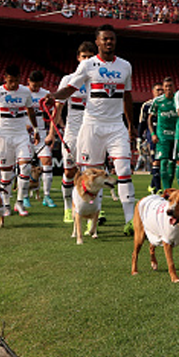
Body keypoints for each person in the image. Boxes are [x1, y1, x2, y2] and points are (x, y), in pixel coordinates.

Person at [43, 24, 138, 234]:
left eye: (112, 39)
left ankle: (131, 221)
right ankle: (89, 215)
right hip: (92, 125)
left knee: (123, 170)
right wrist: (54, 96)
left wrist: (131, 125)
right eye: (105, 39)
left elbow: (128, 96)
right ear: (97, 42)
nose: (109, 42)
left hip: (116, 126)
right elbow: (70, 88)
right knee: (91, 174)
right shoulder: (88, 66)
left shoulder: (125, 66)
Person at [52, 41, 96, 223]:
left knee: (91, 173)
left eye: (89, 57)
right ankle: (67, 207)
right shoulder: (68, 80)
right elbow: (58, 109)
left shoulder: (98, 80)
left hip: (91, 130)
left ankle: (94, 210)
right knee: (69, 172)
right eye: (83, 56)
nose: (86, 60)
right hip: (72, 131)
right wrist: (51, 133)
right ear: (78, 58)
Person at [0, 65, 39, 216]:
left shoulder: (25, 91)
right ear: (5, 78)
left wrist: (35, 130)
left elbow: (30, 110)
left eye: (16, 81)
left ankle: (20, 202)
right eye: (10, 81)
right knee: (6, 174)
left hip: (21, 134)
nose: (13, 84)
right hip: (4, 136)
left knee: (26, 168)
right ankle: (7, 205)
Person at [27, 70, 56, 207]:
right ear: (28, 81)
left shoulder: (45, 94)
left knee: (47, 162)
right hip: (25, 134)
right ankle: (23, 196)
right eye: (33, 85)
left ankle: (47, 196)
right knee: (24, 165)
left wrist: (52, 133)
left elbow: (52, 114)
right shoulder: (22, 93)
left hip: (42, 133)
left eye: (38, 85)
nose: (36, 88)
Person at [149, 77, 178, 191]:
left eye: (170, 86)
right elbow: (150, 118)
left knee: (172, 163)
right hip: (163, 135)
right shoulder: (158, 101)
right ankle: (166, 189)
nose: (168, 88)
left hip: (176, 135)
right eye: (166, 86)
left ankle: (169, 188)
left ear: (174, 87)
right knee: (163, 160)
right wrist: (153, 134)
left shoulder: (178, 99)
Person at [140, 83, 164, 193]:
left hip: (165, 133)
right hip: (153, 133)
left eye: (162, 90)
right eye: (158, 90)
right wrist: (140, 138)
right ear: (153, 92)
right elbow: (142, 122)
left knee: (163, 162)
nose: (161, 92)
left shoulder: (167, 103)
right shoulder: (147, 105)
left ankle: (152, 185)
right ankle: (158, 188)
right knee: (156, 160)